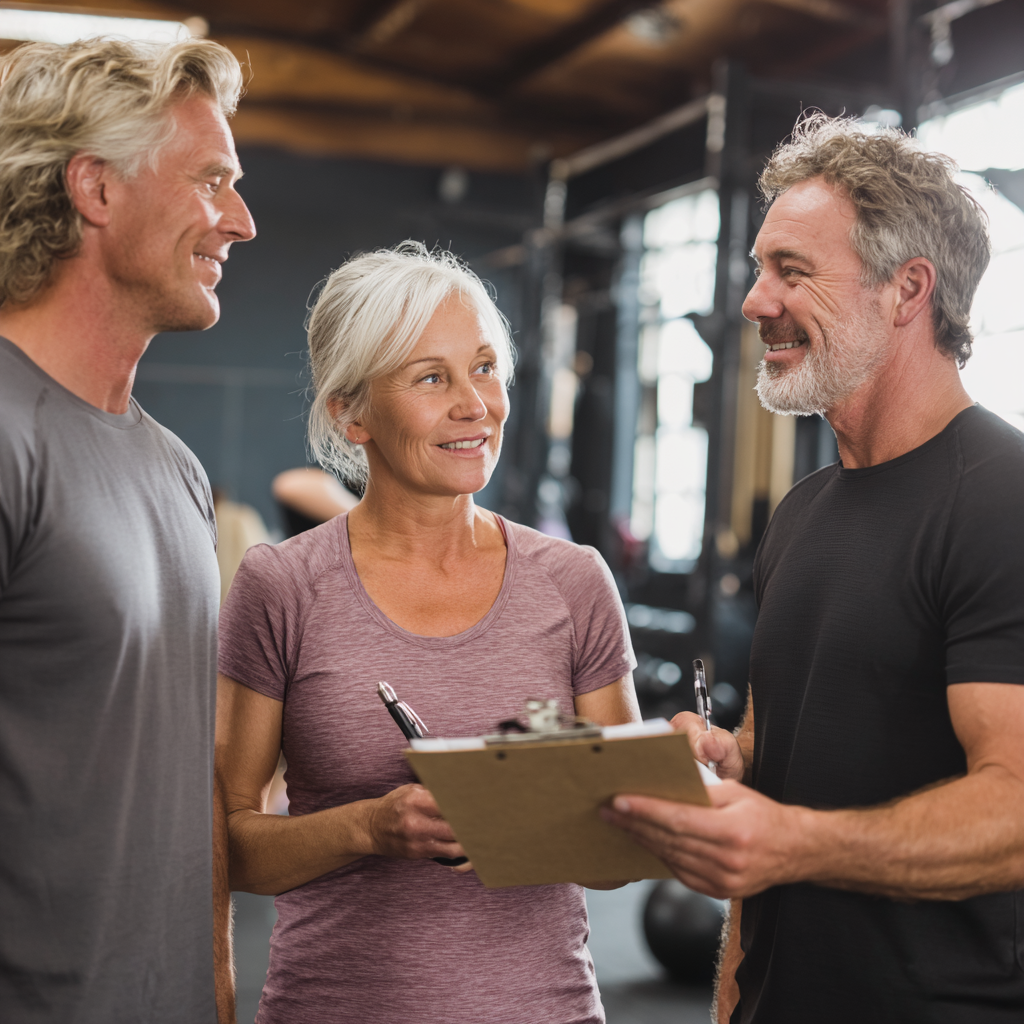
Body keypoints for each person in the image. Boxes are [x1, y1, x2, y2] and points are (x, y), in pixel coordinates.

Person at [603, 115, 1024, 1023]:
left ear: (907, 289)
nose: (755, 302)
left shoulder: (1003, 499)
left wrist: (794, 841)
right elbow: (779, 775)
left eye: (792, 271)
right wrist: (725, 769)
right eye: (760, 269)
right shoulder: (803, 514)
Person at [216, 243, 640, 1024]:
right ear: (350, 410)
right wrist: (372, 826)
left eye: (484, 367)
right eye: (431, 377)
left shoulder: (574, 582)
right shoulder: (281, 586)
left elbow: (623, 850)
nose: (475, 404)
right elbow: (230, 847)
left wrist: (549, 805)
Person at [0, 38, 255, 1023]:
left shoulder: (177, 469)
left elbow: (183, 771)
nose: (240, 220)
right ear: (95, 189)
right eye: (212, 181)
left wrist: (217, 972)